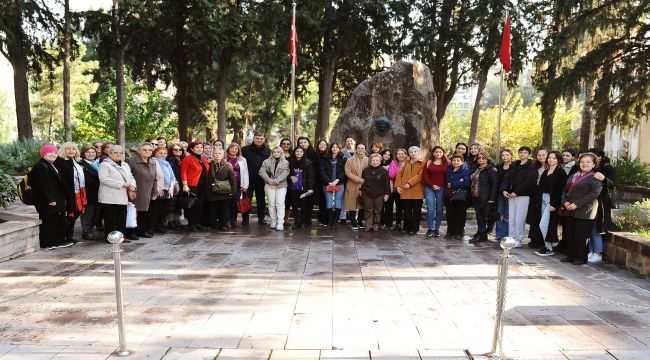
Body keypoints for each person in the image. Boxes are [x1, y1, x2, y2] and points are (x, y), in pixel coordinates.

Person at [560, 152, 603, 265]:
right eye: (583, 162)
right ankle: (571, 255)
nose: (585, 164)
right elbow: (565, 190)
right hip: (570, 209)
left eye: (588, 162)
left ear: (593, 164)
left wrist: (576, 204)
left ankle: (580, 257)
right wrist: (565, 202)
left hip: (586, 211)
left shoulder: (595, 177)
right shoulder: (573, 176)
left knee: (581, 236)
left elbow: (593, 194)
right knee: (570, 234)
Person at [31, 144, 70, 249]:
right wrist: (50, 199)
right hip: (48, 200)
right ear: (43, 154)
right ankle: (47, 243)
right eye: (50, 152)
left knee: (58, 221)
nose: (53, 154)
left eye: (55, 153)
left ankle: (58, 241)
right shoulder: (41, 166)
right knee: (49, 222)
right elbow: (42, 185)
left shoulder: (51, 164)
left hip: (57, 199)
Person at [98, 144, 136, 243]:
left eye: (121, 152)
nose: (118, 154)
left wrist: (132, 185)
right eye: (115, 152)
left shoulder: (125, 164)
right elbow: (103, 179)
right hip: (110, 196)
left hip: (123, 196)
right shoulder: (105, 164)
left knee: (121, 218)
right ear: (110, 154)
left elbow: (131, 177)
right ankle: (110, 238)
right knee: (111, 219)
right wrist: (122, 184)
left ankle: (121, 237)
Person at [502, 146, 537, 248]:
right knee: (511, 218)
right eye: (521, 152)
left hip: (523, 196)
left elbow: (529, 182)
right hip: (511, 195)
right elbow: (507, 178)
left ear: (529, 154)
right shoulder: (514, 165)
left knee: (519, 218)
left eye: (525, 152)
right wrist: (504, 190)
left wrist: (517, 192)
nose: (523, 154)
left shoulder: (532, 166)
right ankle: (511, 238)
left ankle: (518, 239)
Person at [534, 151, 568, 256]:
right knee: (545, 224)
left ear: (558, 160)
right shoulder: (546, 171)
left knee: (543, 224)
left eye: (554, 158)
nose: (551, 160)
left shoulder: (561, 172)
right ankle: (547, 247)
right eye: (550, 157)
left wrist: (554, 204)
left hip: (552, 200)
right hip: (543, 199)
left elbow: (561, 190)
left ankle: (549, 248)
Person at [54, 142, 87, 244]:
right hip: (68, 194)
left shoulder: (76, 162)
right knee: (69, 215)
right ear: (63, 150)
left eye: (73, 149)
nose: (71, 151)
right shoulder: (60, 162)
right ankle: (63, 236)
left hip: (79, 192)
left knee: (75, 214)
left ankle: (69, 235)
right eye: (68, 149)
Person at [588, 148, 617, 263]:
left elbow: (613, 183)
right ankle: (590, 250)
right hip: (588, 201)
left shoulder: (607, 167)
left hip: (601, 202)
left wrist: (604, 179)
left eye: (594, 156)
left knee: (596, 228)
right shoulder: (590, 167)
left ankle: (598, 252)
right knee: (588, 228)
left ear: (600, 156)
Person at [126, 141, 160, 239]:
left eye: (149, 150)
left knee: (144, 212)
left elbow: (155, 178)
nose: (147, 151)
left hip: (148, 191)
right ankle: (131, 232)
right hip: (135, 191)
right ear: (139, 151)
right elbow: (127, 176)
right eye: (144, 150)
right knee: (133, 212)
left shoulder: (153, 162)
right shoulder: (131, 160)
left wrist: (154, 191)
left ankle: (141, 230)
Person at [180, 141, 211, 232]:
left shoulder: (203, 158)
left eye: (201, 147)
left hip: (203, 186)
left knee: (200, 205)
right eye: (197, 147)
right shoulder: (187, 159)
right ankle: (192, 224)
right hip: (192, 185)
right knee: (193, 205)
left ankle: (197, 223)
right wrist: (185, 185)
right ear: (192, 149)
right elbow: (183, 172)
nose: (199, 149)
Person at [242, 132, 271, 225]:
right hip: (248, 179)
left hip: (261, 180)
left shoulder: (268, 151)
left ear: (264, 139)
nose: (259, 140)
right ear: (253, 139)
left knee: (261, 200)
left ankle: (261, 218)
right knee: (246, 200)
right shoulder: (244, 150)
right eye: (257, 138)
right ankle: (245, 219)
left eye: (261, 138)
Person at [469, 150, 498, 243]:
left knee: (483, 217)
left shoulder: (491, 169)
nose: (481, 159)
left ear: (487, 159)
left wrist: (492, 198)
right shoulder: (475, 168)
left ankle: (481, 234)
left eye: (483, 158)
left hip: (485, 197)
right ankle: (481, 234)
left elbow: (495, 185)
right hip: (475, 196)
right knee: (479, 216)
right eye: (479, 158)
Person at [259, 146, 290, 230]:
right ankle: (273, 220)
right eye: (274, 152)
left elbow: (286, 172)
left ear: (281, 153)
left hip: (281, 185)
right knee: (271, 203)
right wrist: (269, 180)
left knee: (280, 204)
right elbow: (261, 171)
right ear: (272, 153)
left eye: (278, 152)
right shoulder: (266, 161)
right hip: (269, 185)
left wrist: (276, 181)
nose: (276, 153)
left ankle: (280, 222)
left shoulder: (285, 162)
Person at [395, 146, 424, 235]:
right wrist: (398, 186)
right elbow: (399, 175)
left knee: (416, 211)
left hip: (417, 190)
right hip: (405, 190)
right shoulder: (406, 163)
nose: (413, 153)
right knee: (406, 211)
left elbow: (420, 176)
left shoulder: (423, 163)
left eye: (415, 151)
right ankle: (406, 227)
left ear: (419, 153)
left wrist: (410, 183)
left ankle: (414, 228)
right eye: (411, 152)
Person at [422, 146, 449, 238]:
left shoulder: (447, 163)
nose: (438, 154)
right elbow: (424, 176)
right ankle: (430, 228)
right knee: (430, 209)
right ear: (433, 153)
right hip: (430, 188)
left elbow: (448, 176)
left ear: (443, 153)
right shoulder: (429, 162)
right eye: (436, 152)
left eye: (440, 152)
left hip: (441, 189)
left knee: (439, 209)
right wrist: (432, 185)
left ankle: (436, 229)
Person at [206, 149, 236, 230]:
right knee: (212, 209)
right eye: (215, 153)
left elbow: (233, 179)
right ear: (212, 155)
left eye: (220, 153)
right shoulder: (209, 164)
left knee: (224, 209)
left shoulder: (228, 165)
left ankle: (223, 225)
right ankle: (212, 224)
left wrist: (233, 191)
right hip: (212, 191)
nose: (217, 155)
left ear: (223, 155)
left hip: (224, 191)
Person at [359, 153, 390, 231]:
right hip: (367, 193)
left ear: (380, 161)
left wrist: (387, 194)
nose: (375, 162)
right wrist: (360, 190)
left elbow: (387, 183)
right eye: (373, 160)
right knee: (368, 209)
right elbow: (362, 182)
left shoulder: (384, 171)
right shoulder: (365, 170)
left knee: (377, 210)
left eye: (377, 160)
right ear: (370, 161)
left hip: (379, 194)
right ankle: (368, 225)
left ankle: (376, 225)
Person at [150, 146, 177, 233]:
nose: (163, 155)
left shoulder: (166, 163)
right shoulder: (153, 162)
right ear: (155, 153)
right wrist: (157, 188)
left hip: (167, 189)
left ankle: (160, 226)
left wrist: (171, 187)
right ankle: (152, 227)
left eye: (165, 153)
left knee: (164, 209)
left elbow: (171, 176)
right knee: (155, 209)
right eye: (160, 153)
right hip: (158, 189)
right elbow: (153, 176)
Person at [319, 142, 347, 228]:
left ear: (339, 149)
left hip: (340, 183)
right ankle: (330, 222)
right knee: (329, 202)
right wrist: (329, 182)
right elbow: (322, 171)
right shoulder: (325, 158)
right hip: (327, 184)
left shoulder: (343, 159)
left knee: (338, 202)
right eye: (333, 147)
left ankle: (335, 222)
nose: (335, 149)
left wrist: (337, 180)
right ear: (330, 148)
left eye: (337, 147)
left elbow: (344, 171)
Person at [527, 147, 549, 248]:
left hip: (545, 195)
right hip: (535, 194)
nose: (541, 157)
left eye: (543, 155)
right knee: (534, 217)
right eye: (539, 155)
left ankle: (542, 241)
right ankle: (534, 239)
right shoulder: (533, 166)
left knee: (543, 218)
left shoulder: (551, 167)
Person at [288, 147, 315, 229]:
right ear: (294, 152)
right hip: (293, 188)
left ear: (303, 153)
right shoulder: (290, 162)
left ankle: (302, 222)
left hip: (304, 188)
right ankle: (296, 222)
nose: (299, 153)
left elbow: (311, 177)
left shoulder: (308, 163)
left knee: (304, 205)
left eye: (301, 151)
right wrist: (290, 177)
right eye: (297, 151)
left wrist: (310, 188)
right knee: (294, 205)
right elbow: (286, 173)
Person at [445, 154, 471, 239]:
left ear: (462, 162)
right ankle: (450, 232)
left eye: (458, 161)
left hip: (461, 196)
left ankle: (458, 233)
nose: (456, 162)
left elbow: (466, 183)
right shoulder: (449, 170)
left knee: (460, 215)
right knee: (450, 215)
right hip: (449, 195)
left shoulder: (465, 170)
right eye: (454, 160)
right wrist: (458, 181)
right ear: (451, 161)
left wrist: (452, 184)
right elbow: (446, 181)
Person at [344, 143, 369, 230]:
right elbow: (347, 172)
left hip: (364, 184)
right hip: (352, 184)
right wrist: (358, 179)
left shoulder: (368, 160)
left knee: (362, 203)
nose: (361, 150)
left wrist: (364, 180)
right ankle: (353, 222)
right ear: (356, 149)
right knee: (352, 203)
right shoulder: (350, 160)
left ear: (365, 150)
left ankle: (360, 221)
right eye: (359, 148)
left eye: (362, 148)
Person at [78, 145, 101, 241]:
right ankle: (86, 232)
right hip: (88, 193)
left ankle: (92, 230)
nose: (91, 154)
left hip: (99, 193)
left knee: (96, 213)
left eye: (93, 152)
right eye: (88, 152)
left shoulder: (98, 163)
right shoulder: (81, 164)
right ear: (83, 153)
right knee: (88, 213)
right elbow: (86, 180)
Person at [226, 142, 249, 228]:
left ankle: (234, 220)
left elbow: (246, 172)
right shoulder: (224, 158)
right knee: (227, 203)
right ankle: (227, 220)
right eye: (232, 148)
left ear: (238, 150)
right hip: (226, 184)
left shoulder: (242, 159)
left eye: (236, 148)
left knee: (235, 203)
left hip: (238, 184)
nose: (234, 150)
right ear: (228, 149)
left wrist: (245, 185)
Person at [495, 149, 513, 241]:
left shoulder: (514, 166)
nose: (505, 157)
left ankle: (507, 235)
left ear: (511, 156)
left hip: (511, 194)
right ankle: (499, 235)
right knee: (499, 214)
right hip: (500, 193)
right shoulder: (498, 167)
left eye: (507, 155)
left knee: (508, 215)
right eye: (503, 155)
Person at [166, 143, 185, 230]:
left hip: (180, 184)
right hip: (173, 184)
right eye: (175, 150)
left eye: (180, 150)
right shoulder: (170, 160)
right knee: (171, 204)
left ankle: (176, 220)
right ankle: (171, 221)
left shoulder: (182, 159)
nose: (178, 151)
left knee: (178, 204)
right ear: (171, 151)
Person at [389, 148, 408, 231]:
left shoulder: (409, 163)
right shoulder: (393, 163)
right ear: (396, 155)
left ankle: (406, 224)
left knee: (406, 207)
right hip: (396, 188)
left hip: (406, 188)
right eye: (399, 154)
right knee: (398, 207)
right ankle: (398, 223)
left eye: (402, 154)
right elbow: (391, 175)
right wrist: (400, 172)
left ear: (406, 155)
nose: (401, 155)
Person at [315, 140, 330, 227]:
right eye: (321, 144)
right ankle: (321, 219)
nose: (322, 146)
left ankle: (326, 219)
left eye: (324, 144)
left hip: (326, 180)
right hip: (317, 180)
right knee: (320, 200)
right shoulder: (314, 155)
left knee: (326, 200)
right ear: (318, 145)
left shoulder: (328, 155)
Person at [379, 149, 395, 230]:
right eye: (385, 154)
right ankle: (381, 223)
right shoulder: (377, 162)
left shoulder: (392, 163)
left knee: (389, 207)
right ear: (382, 154)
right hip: (379, 188)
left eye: (389, 155)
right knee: (380, 207)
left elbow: (393, 175)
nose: (387, 156)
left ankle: (389, 224)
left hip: (389, 187)